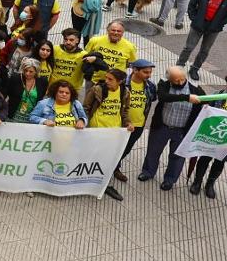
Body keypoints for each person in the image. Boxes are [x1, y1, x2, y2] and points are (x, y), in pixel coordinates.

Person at [139, 66, 206, 190]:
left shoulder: (196, 90)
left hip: (181, 131)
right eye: (176, 80)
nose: (180, 82)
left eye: (182, 79)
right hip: (161, 127)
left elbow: (205, 105)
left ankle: (169, 180)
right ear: (169, 79)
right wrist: (186, 97)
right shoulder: (164, 85)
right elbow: (164, 97)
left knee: (177, 157)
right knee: (153, 152)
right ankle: (148, 172)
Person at [83, 68, 131, 201]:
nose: (107, 81)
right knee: (91, 156)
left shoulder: (125, 92)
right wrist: (84, 124)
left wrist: (127, 123)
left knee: (107, 159)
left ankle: (105, 184)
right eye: (106, 78)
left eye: (111, 79)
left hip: (114, 133)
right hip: (96, 130)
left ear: (120, 81)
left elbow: (125, 111)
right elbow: (85, 108)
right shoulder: (97, 90)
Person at [177, 0, 226, 82]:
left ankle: (194, 69)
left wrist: (220, 24)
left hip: (213, 29)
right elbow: (191, 6)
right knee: (188, 47)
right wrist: (194, 19)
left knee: (204, 51)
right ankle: (179, 66)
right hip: (198, 25)